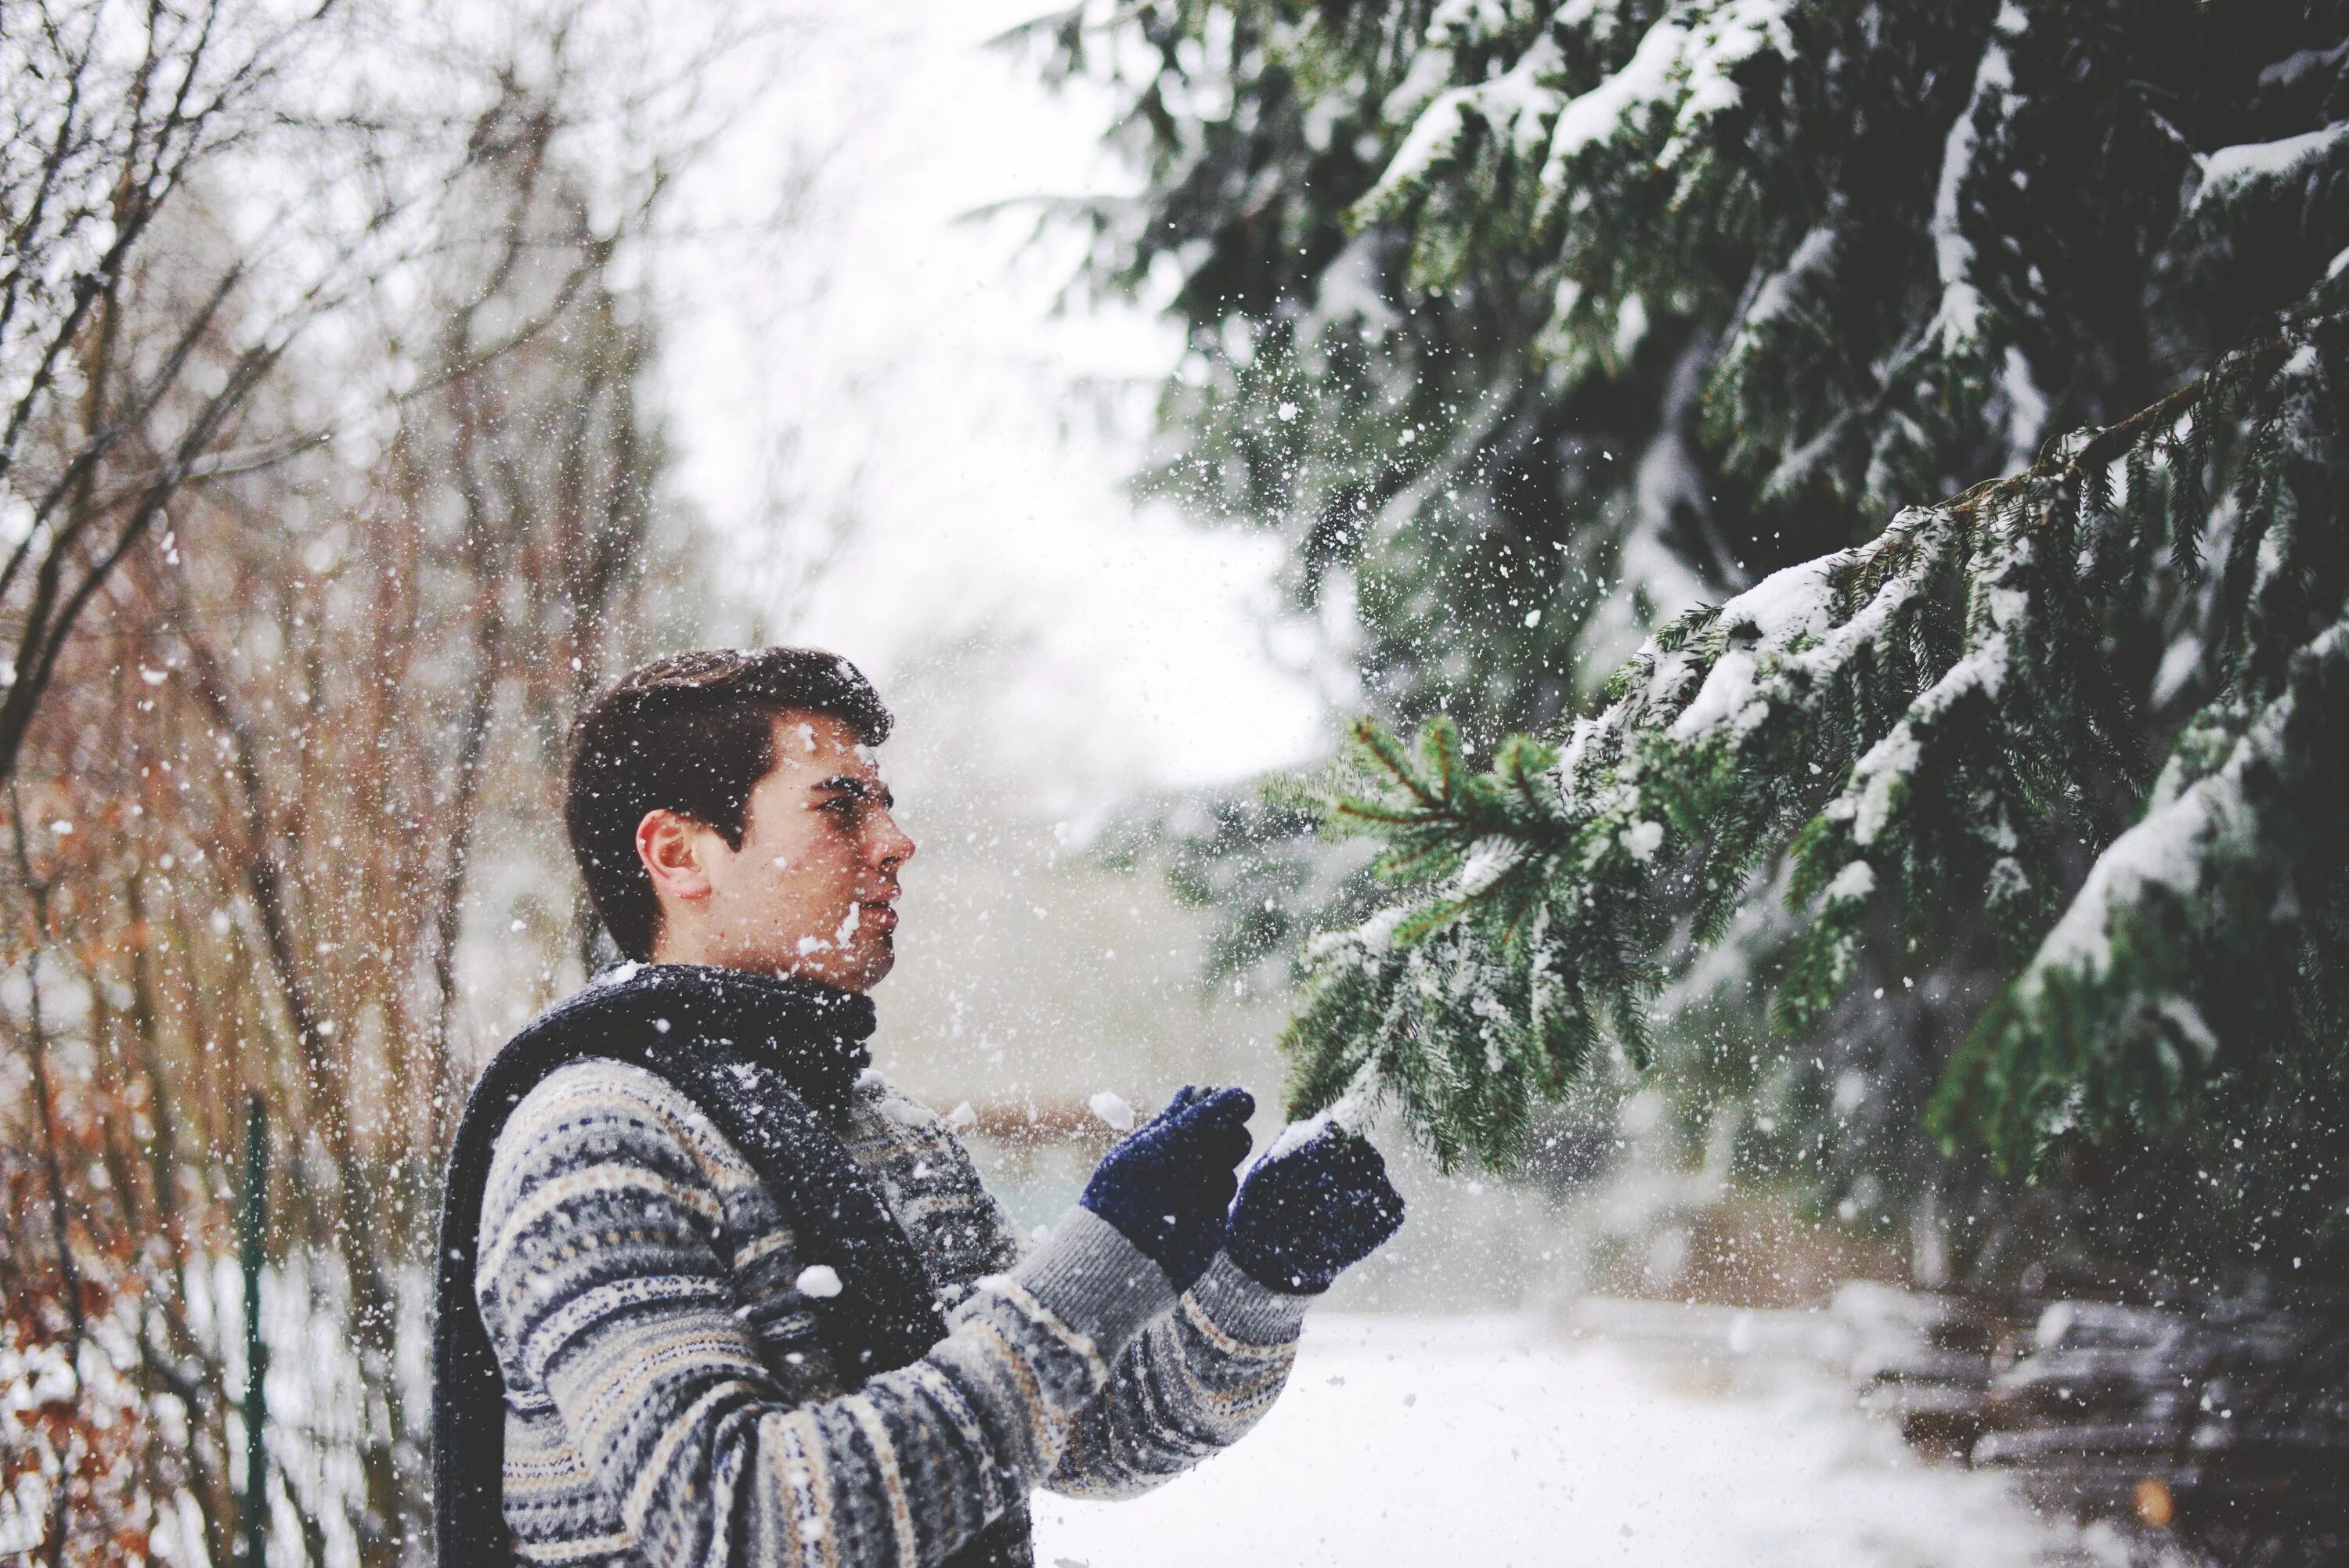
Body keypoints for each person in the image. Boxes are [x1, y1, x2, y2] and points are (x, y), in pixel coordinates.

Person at [431, 647, 1405, 1568]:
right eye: (840, 807)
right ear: (682, 854)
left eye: (885, 808)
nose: (897, 843)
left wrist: (1257, 1274)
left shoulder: (880, 1125)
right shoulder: (598, 1135)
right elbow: (745, 1520)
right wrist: (1092, 1267)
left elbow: (1076, 1430)